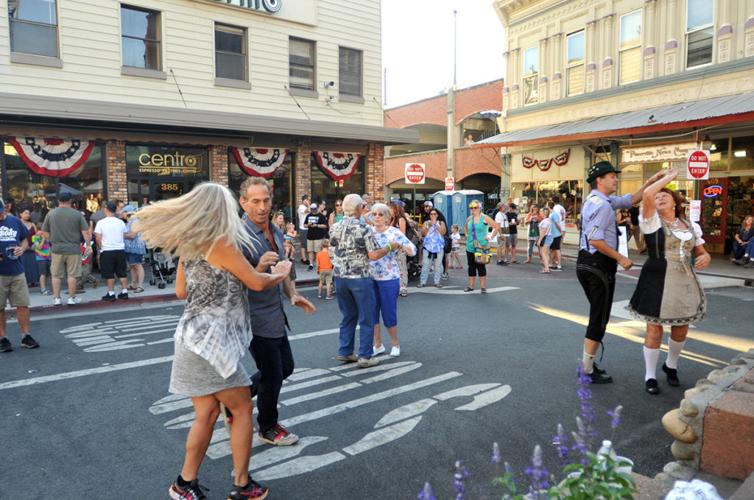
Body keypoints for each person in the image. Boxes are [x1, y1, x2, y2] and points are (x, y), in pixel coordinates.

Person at [135, 182, 290, 500]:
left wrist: (220, 286)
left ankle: (184, 483)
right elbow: (258, 283)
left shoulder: (190, 243)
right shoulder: (221, 243)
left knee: (206, 414)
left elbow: (181, 292)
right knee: (243, 408)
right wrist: (282, 271)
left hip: (190, 339)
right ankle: (244, 485)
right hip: (212, 345)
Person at [237, 177, 315, 449]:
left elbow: (282, 269)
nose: (261, 206)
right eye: (254, 201)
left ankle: (235, 399)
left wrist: (292, 294)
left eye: (266, 200)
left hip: (274, 313)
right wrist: (258, 266)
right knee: (272, 373)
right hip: (252, 316)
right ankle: (268, 426)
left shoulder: (276, 230)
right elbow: (236, 282)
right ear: (243, 202)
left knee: (286, 367)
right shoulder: (238, 236)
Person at [577, 161, 666, 384]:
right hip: (598, 264)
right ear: (599, 180)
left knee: (598, 313)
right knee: (599, 317)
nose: (616, 179)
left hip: (586, 263)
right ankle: (587, 368)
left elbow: (630, 200)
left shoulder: (596, 200)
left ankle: (588, 364)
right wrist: (621, 258)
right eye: (611, 176)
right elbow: (595, 239)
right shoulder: (603, 206)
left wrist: (651, 182)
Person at [626, 168, 711, 395]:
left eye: (665, 195)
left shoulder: (690, 225)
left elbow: (702, 251)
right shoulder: (651, 221)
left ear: (675, 202)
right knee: (654, 329)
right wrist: (667, 178)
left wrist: (705, 256)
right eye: (657, 196)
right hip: (656, 277)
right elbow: (646, 196)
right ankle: (650, 375)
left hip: (684, 279)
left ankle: (671, 365)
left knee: (681, 328)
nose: (659, 197)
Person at [329, 194, 395, 368]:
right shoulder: (364, 228)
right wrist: (390, 247)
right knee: (367, 316)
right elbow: (373, 255)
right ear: (359, 208)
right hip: (360, 277)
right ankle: (365, 355)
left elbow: (333, 248)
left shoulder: (335, 227)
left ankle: (345, 351)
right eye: (363, 206)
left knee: (348, 315)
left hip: (340, 276)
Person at [369, 203, 416, 358]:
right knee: (372, 313)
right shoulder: (368, 232)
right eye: (374, 213)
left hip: (389, 278)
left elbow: (412, 250)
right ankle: (378, 344)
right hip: (370, 278)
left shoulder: (394, 232)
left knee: (388, 312)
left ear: (387, 218)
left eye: (380, 214)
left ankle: (395, 343)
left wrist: (403, 247)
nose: (376, 216)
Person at [0, 198, 39, 353]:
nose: (1, 216)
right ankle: (2, 338)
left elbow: (25, 239)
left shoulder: (15, 221)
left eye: (2, 212)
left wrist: (22, 249)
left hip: (17, 270)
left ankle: (25, 335)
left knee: (22, 304)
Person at [41, 191, 91, 306]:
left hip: (56, 249)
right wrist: (88, 246)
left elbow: (44, 232)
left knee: (56, 275)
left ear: (58, 201)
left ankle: (57, 299)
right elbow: (85, 233)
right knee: (72, 275)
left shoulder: (51, 214)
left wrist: (51, 240)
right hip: (73, 249)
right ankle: (71, 298)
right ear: (70, 201)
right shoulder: (77, 214)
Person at [95, 201, 129, 302]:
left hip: (107, 250)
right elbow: (124, 235)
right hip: (120, 249)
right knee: (122, 272)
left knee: (109, 273)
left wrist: (100, 248)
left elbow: (97, 238)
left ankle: (111, 293)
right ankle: (124, 291)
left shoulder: (101, 223)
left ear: (106, 209)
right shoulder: (120, 222)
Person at [464, 201, 499, 293]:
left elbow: (496, 226)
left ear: (480, 208)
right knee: (471, 267)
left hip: (481, 246)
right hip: (470, 246)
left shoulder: (485, 218)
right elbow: (466, 228)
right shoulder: (469, 219)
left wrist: (490, 236)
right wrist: (467, 235)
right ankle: (471, 286)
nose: (473, 209)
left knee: (481, 266)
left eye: (475, 207)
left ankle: (483, 287)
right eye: (471, 208)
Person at [418, 207, 446, 288]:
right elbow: (423, 233)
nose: (433, 215)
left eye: (434, 214)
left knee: (438, 265)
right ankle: (422, 282)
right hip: (428, 247)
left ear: (437, 215)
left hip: (439, 247)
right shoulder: (426, 223)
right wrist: (429, 226)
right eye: (431, 214)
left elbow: (443, 232)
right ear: (429, 215)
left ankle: (437, 282)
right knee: (426, 264)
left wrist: (435, 225)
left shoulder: (441, 222)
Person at [389, 200, 411, 297]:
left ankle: (403, 287)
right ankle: (396, 287)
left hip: (400, 247)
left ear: (396, 208)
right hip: (391, 247)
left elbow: (402, 234)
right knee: (393, 267)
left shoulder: (401, 219)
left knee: (402, 266)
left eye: (391, 208)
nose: (390, 209)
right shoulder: (391, 219)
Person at [123, 205, 147, 293]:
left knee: (138, 265)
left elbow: (132, 235)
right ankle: (134, 284)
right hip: (130, 248)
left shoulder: (136, 221)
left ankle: (140, 286)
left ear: (128, 213)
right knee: (132, 266)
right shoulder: (129, 221)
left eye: (124, 212)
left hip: (136, 248)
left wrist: (121, 235)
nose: (122, 214)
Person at [19, 209, 39, 288]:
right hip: (22, 249)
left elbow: (36, 235)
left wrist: (35, 244)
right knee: (23, 264)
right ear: (21, 214)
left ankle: (33, 281)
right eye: (26, 213)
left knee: (32, 265)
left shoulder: (32, 224)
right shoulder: (18, 223)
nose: (28, 215)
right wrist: (23, 246)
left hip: (32, 248)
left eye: (29, 213)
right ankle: (24, 281)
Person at [305, 203, 328, 271]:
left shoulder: (321, 216)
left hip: (318, 236)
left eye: (314, 209)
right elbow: (304, 224)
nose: (313, 210)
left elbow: (325, 226)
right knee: (310, 251)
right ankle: (311, 264)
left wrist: (317, 225)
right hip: (310, 236)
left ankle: (318, 265)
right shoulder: (308, 215)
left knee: (318, 251)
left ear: (317, 208)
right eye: (312, 209)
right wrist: (308, 225)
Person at [31, 224, 51, 294]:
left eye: (44, 230)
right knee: (43, 274)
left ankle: (45, 288)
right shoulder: (35, 237)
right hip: (41, 258)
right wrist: (43, 239)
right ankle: (43, 289)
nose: (42, 232)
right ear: (37, 230)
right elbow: (39, 247)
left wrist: (47, 237)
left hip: (48, 257)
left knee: (48, 274)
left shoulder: (47, 236)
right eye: (40, 230)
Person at [547, 200, 564, 271]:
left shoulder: (554, 214)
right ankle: (550, 264)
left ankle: (559, 265)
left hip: (556, 235)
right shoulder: (551, 214)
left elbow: (557, 224)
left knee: (557, 250)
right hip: (553, 235)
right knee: (552, 250)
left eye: (546, 205)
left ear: (548, 206)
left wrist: (561, 231)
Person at [537, 207, 552, 273]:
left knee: (543, 253)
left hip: (545, 237)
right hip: (548, 237)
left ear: (544, 213)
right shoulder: (548, 220)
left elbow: (543, 231)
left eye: (541, 211)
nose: (540, 212)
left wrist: (539, 240)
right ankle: (547, 267)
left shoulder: (545, 221)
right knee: (546, 253)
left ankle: (546, 268)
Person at [297, 195, 310, 264]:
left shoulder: (305, 207)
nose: (308, 201)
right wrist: (308, 204)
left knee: (307, 244)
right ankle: (303, 259)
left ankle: (306, 258)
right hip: (303, 228)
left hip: (308, 227)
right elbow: (307, 211)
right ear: (304, 200)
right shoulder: (301, 207)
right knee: (303, 244)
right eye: (307, 200)